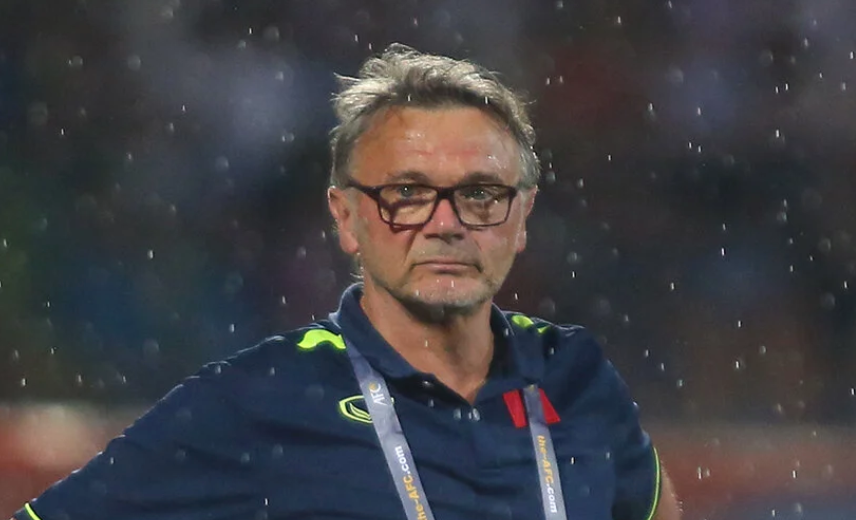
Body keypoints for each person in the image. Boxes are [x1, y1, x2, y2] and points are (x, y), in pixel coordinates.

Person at [12, 43, 680, 520]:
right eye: (408, 194)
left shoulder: (575, 375)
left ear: (523, 216)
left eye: (480, 194)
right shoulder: (260, 398)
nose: (446, 224)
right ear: (347, 218)